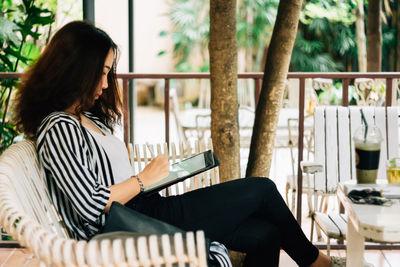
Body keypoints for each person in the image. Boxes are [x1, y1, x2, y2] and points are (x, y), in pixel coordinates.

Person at [15, 21, 343, 267]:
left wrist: (154, 178)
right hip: (129, 228)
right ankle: (317, 263)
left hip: (146, 209)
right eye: (99, 73)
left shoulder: (86, 118)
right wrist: (143, 178)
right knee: (262, 189)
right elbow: (89, 205)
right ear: (75, 71)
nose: (105, 82)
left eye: (107, 73)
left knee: (265, 235)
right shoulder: (58, 128)